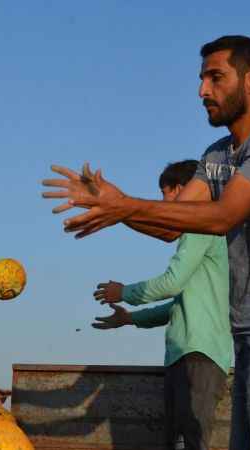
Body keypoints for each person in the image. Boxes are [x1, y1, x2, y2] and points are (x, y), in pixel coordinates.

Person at [42, 35, 250, 450]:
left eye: (215, 78)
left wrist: (124, 205)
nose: (202, 91)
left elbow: (222, 217)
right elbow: (174, 229)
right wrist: (116, 209)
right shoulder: (216, 155)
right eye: (201, 79)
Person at [92, 159, 231, 450]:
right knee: (179, 442)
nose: (163, 204)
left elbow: (171, 283)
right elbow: (178, 305)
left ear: (182, 190)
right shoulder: (199, 234)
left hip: (198, 355)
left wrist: (125, 292)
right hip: (189, 354)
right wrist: (131, 318)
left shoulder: (200, 228)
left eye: (164, 195)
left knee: (189, 442)